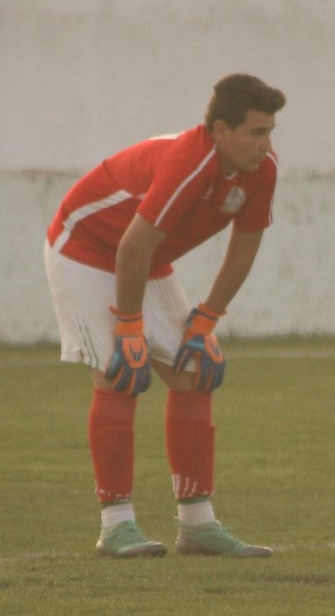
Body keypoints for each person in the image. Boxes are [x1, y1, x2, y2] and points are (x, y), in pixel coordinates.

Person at [44, 74, 286, 558]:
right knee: (120, 374)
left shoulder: (263, 170)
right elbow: (131, 248)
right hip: (85, 250)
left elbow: (244, 246)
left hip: (141, 259)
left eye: (270, 132)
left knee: (196, 373)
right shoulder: (190, 163)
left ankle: (196, 526)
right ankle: (115, 526)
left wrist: (208, 317)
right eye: (256, 133)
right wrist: (130, 328)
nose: (266, 144)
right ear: (220, 130)